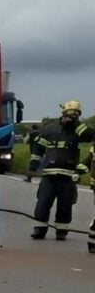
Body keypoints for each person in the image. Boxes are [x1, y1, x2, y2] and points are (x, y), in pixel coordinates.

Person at [31, 100, 92, 240]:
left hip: (69, 174)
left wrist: (77, 124)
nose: (70, 117)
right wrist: (34, 163)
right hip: (49, 173)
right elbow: (39, 146)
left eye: (75, 115)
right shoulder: (49, 128)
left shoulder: (78, 129)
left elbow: (90, 136)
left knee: (65, 204)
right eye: (69, 114)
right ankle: (39, 229)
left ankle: (61, 230)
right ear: (62, 113)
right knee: (43, 202)